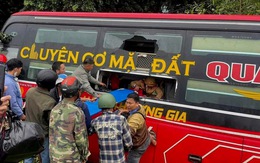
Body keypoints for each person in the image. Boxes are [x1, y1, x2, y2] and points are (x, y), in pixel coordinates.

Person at [49, 76, 90, 162]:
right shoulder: (77, 112)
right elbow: (81, 139)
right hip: (71, 158)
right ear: (77, 92)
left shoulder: (55, 109)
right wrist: (85, 155)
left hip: (54, 156)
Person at [24, 69, 58, 163]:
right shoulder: (50, 101)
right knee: (45, 156)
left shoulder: (30, 92)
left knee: (28, 156)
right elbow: (50, 121)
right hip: (43, 134)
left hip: (28, 130)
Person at [91, 93, 133, 163]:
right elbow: (129, 143)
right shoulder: (121, 119)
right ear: (113, 106)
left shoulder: (95, 121)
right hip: (119, 160)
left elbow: (89, 131)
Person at [125, 93, 150, 163]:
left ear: (137, 103)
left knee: (132, 159)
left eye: (130, 103)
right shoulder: (140, 107)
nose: (127, 105)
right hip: (145, 138)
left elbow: (129, 132)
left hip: (139, 144)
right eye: (126, 102)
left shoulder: (136, 118)